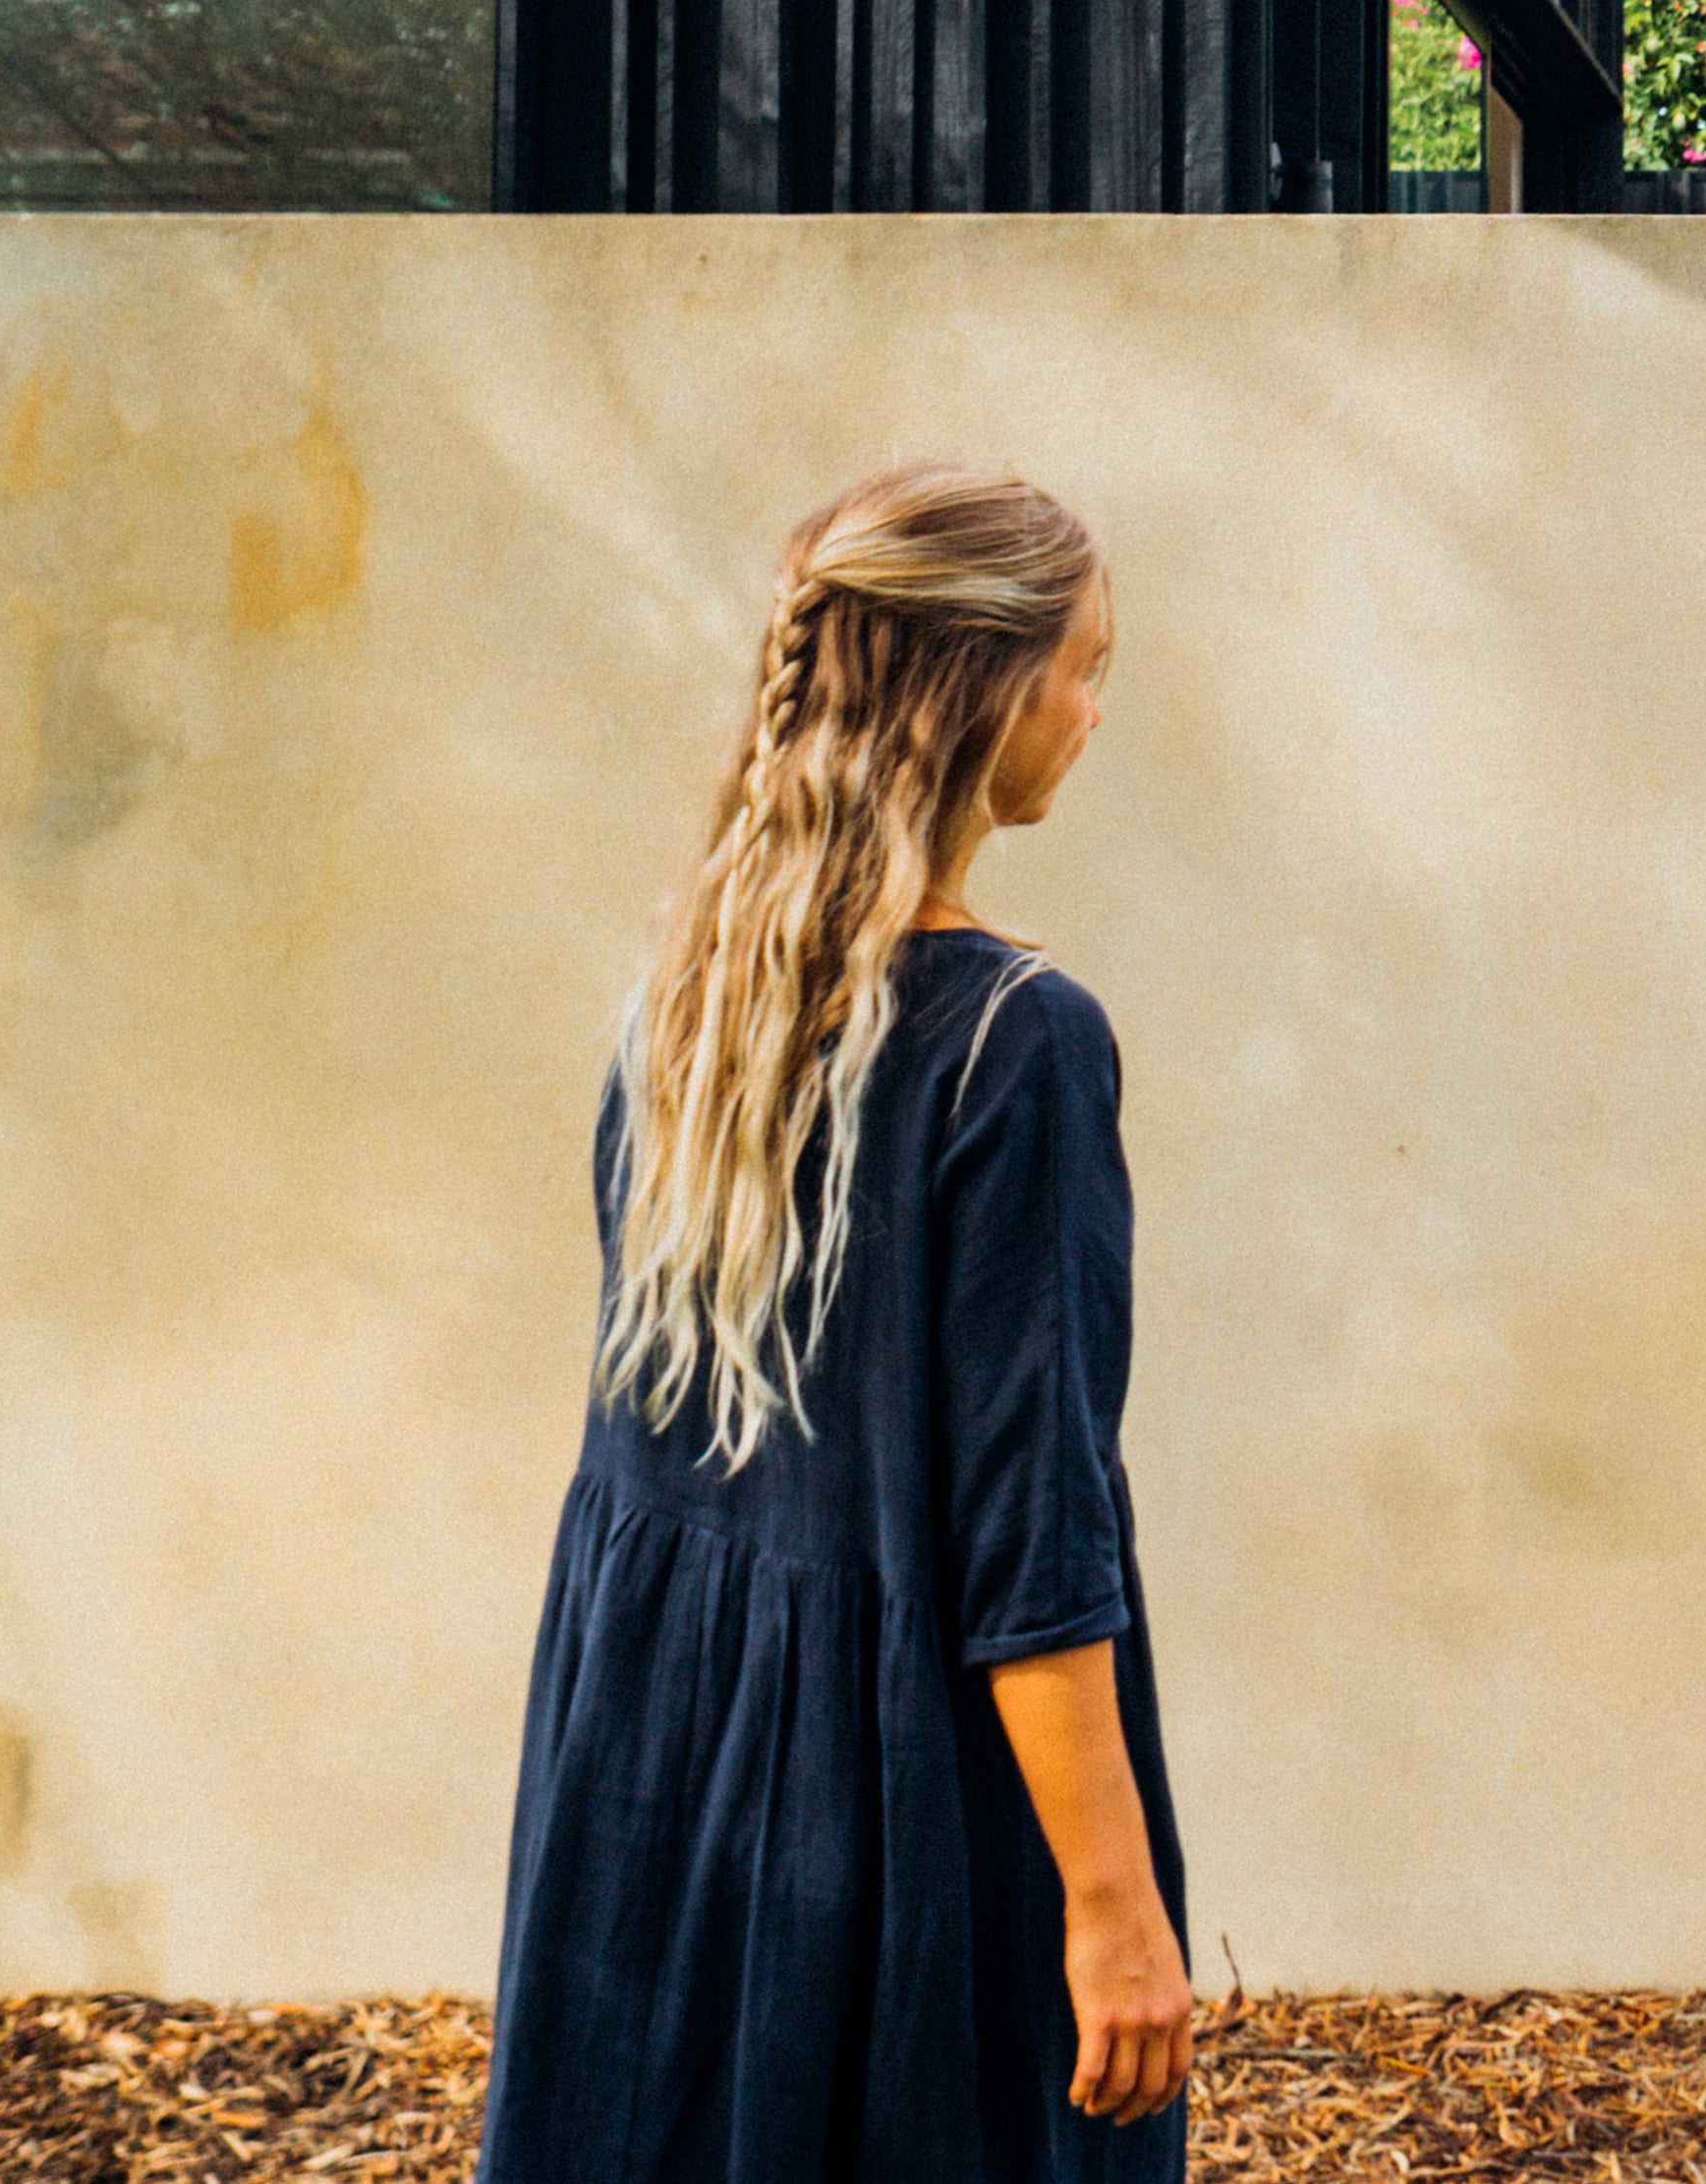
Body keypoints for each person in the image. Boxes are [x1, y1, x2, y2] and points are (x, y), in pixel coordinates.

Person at [478, 458, 1192, 2183]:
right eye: (1084, 667)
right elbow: (1030, 1529)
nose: (1095, 712)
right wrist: (1111, 1903)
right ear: (980, 688)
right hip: (902, 1801)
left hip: (648, 1761)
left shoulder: (693, 1002)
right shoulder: (1015, 1041)